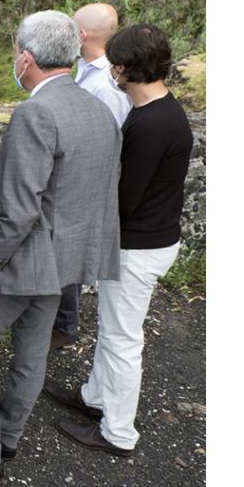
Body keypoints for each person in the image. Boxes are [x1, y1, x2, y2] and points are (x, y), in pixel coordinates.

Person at [0, 11, 121, 486]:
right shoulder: (100, 108)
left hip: (23, 260)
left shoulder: (36, 113)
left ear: (26, 58)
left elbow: (18, 209)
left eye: (16, 50)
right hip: (68, 260)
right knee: (32, 350)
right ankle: (9, 435)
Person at [47, 24, 193, 457]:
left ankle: (118, 432)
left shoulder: (149, 125)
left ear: (127, 68)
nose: (112, 72)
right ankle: (95, 397)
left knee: (121, 339)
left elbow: (124, 198)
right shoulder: (163, 111)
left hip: (138, 247)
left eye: (115, 66)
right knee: (113, 331)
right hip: (152, 238)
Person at [49, 2, 134, 350]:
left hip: (87, 180)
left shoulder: (107, 85)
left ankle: (64, 326)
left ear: (81, 35)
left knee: (70, 253)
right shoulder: (85, 70)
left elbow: (110, 139)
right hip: (74, 174)